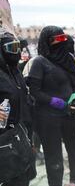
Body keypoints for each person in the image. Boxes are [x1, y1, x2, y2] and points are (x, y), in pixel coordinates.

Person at [27, 26, 75, 186]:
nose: (60, 42)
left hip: (69, 113)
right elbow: (34, 91)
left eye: (62, 38)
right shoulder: (39, 62)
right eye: (56, 39)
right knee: (54, 156)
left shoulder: (68, 58)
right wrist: (56, 102)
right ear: (47, 42)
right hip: (48, 118)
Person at [0, 28, 36, 186]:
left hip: (23, 133)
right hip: (6, 140)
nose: (16, 52)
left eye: (17, 47)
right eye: (11, 48)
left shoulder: (14, 70)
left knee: (25, 176)